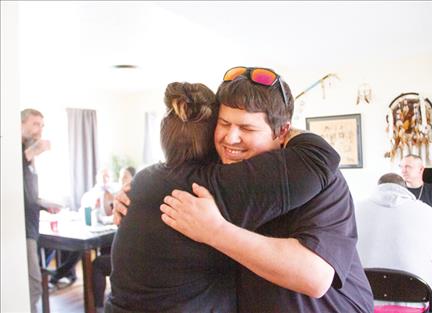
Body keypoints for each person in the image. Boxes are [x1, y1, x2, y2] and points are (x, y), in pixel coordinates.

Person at [115, 67, 373, 312]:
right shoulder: (217, 170)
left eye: (247, 128)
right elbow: (172, 175)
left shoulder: (321, 180)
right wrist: (130, 194)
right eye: (224, 123)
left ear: (282, 131)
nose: (231, 138)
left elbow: (314, 277)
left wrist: (215, 231)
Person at [355, 173, 432, 310]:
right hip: (414, 301)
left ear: (378, 187)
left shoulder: (354, 208)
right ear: (405, 189)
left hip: (362, 300)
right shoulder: (427, 211)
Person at [21, 108, 52, 313]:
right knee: (33, 285)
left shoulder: (29, 156)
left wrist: (43, 203)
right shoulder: (16, 153)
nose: (39, 130)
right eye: (35, 124)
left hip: (32, 225)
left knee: (32, 284)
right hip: (21, 229)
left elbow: (25, 194)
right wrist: (31, 152)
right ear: (20, 124)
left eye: (42, 125)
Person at [92, 166, 135, 310]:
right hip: (134, 256)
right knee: (105, 251)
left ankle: (97, 307)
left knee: (97, 263)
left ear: (134, 179)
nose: (121, 180)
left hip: (131, 260)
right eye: (120, 177)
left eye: (125, 177)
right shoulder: (123, 196)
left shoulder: (128, 198)